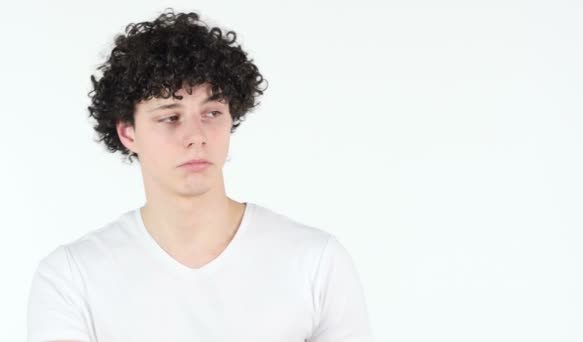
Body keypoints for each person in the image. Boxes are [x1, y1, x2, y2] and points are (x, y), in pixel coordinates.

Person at [27, 9, 373, 342]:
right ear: (128, 133)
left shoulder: (316, 262)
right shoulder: (73, 277)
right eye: (169, 117)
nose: (196, 135)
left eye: (212, 113)